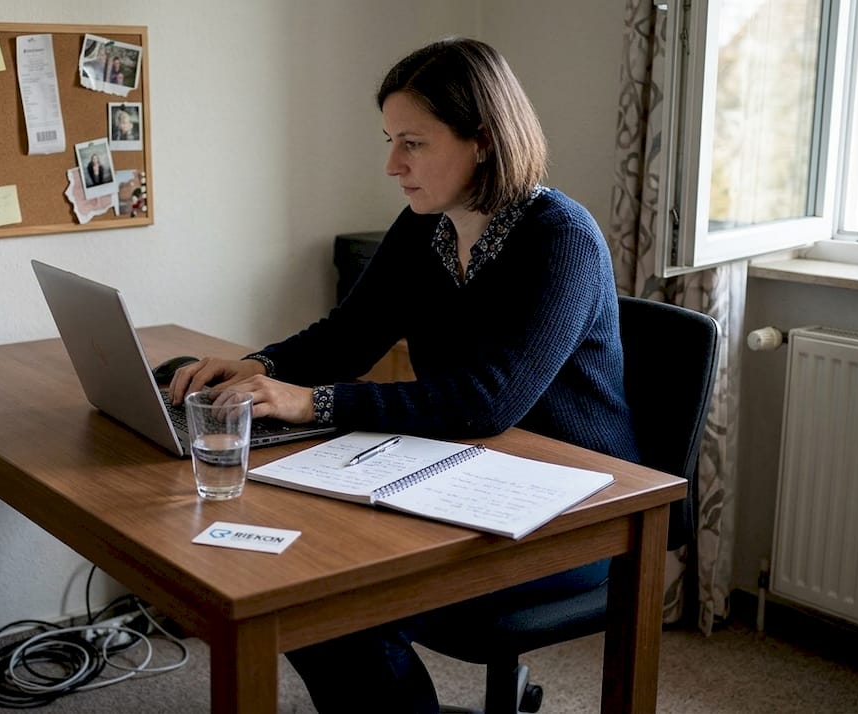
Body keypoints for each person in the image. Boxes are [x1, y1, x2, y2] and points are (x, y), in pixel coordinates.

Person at [169, 37, 638, 713]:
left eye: (412, 143)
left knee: (340, 612)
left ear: (481, 139)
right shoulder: (428, 227)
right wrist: (261, 366)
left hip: (575, 511)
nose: (392, 165)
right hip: (463, 473)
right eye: (391, 140)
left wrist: (313, 403)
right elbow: (347, 335)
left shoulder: (560, 238)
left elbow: (487, 402)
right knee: (299, 590)